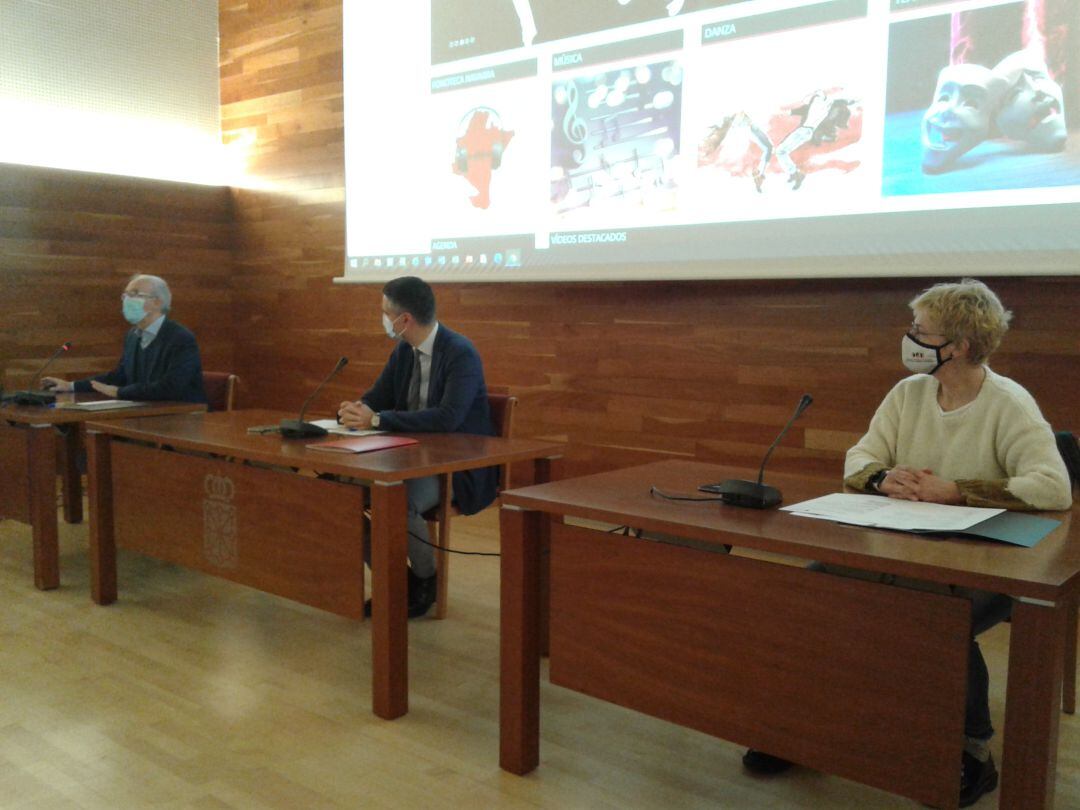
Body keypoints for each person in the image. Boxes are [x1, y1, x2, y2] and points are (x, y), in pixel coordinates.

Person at [742, 279, 1072, 808]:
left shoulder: (1009, 403)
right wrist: (880, 478)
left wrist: (957, 491)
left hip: (982, 563)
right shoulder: (908, 393)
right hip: (901, 545)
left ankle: (972, 754)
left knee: (937, 614)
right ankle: (794, 728)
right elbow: (858, 457)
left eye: (921, 330)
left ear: (959, 345)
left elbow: (1053, 486)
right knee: (808, 594)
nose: (910, 337)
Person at [338, 276, 498, 618]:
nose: (382, 319)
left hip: (456, 466)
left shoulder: (460, 353)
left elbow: (447, 419)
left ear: (404, 319)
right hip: (405, 456)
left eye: (384, 312)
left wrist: (378, 420)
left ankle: (426, 580)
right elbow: (377, 398)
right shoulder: (404, 351)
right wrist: (357, 410)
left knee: (399, 499)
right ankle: (398, 580)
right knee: (342, 493)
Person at [43, 274, 207, 404]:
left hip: (180, 415)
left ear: (157, 302)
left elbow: (171, 387)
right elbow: (120, 376)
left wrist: (119, 392)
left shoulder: (180, 338)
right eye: (126, 295)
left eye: (135, 294)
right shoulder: (132, 335)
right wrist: (71, 386)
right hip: (143, 410)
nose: (128, 300)